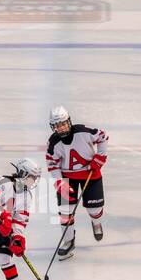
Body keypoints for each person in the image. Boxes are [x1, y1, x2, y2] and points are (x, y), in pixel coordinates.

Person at [45, 106, 108, 261]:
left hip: (90, 173)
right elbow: (52, 164)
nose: (61, 127)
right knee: (65, 212)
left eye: (63, 123)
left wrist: (100, 158)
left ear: (69, 121)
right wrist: (60, 182)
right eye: (57, 125)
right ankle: (68, 240)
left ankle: (96, 222)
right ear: (53, 127)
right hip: (67, 177)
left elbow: (103, 137)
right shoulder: (53, 142)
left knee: (95, 208)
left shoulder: (82, 132)